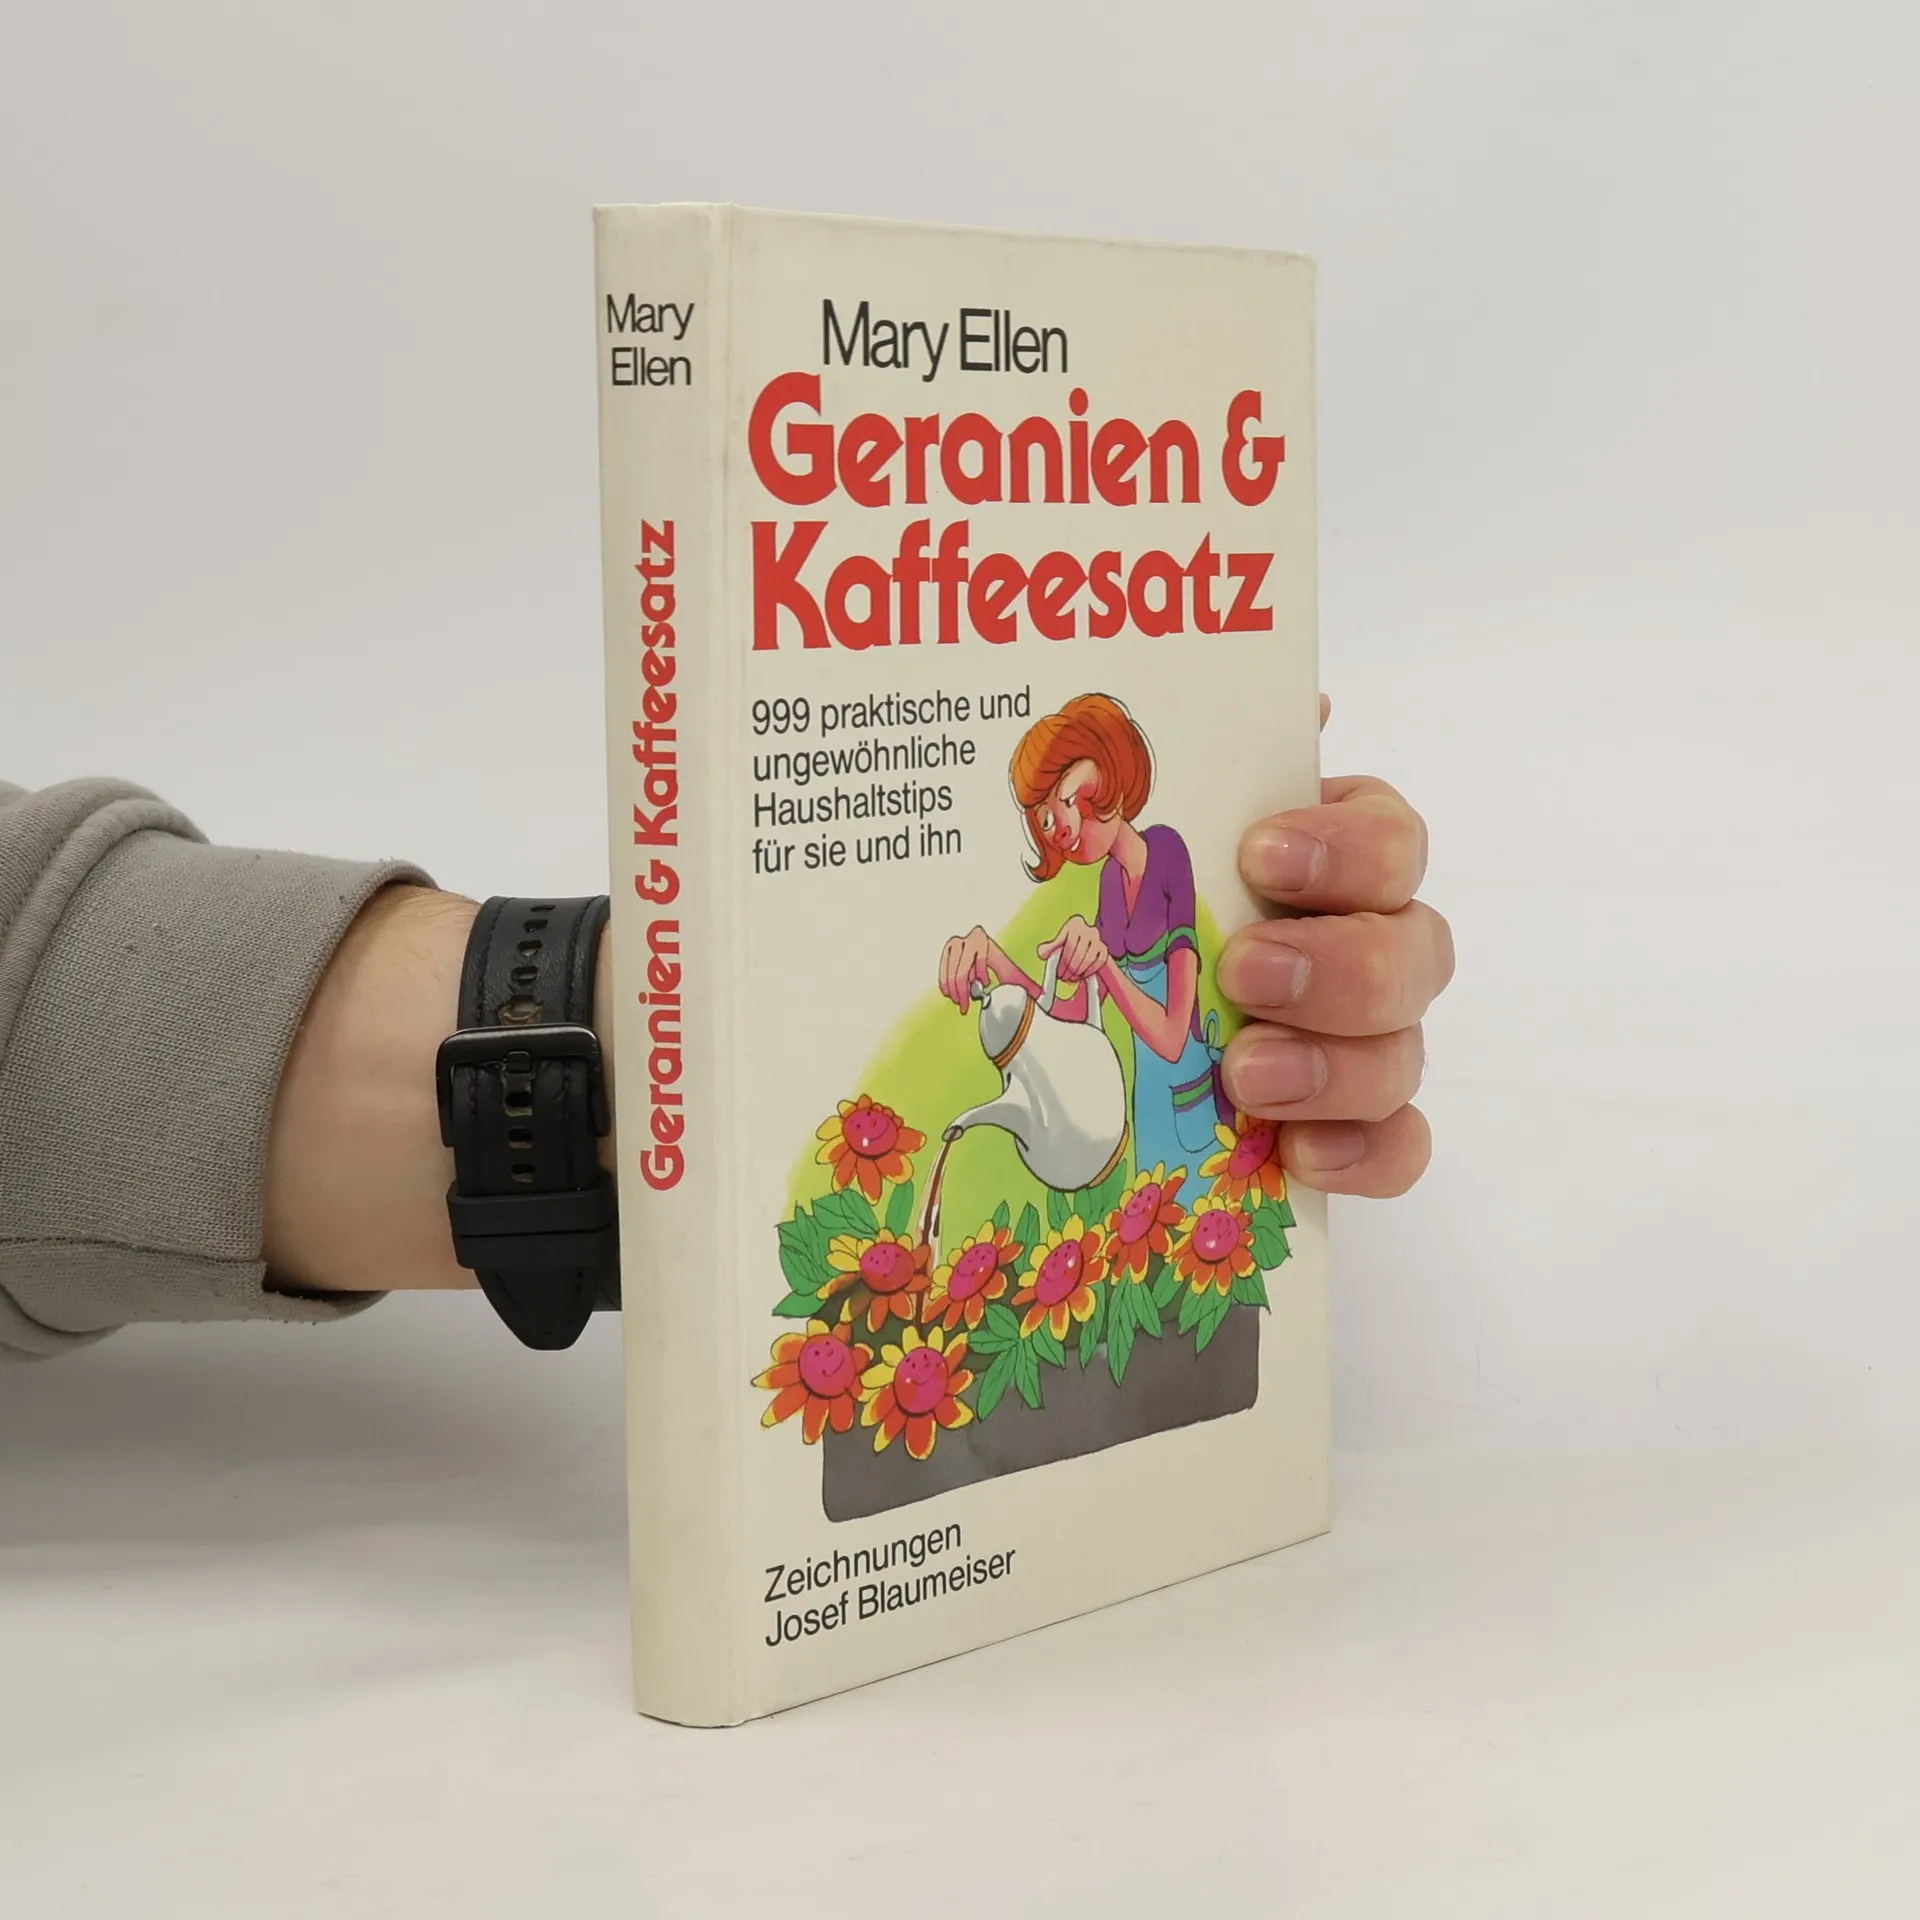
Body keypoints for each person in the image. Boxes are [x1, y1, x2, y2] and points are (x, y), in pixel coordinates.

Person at [0, 719, 1453, 1361]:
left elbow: (1166, 1022)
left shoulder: (1169, 872)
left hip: (1174, 1105)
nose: (1057, 830)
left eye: (1071, 804)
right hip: (1114, 1104)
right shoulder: (1096, 894)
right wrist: (691, 1035)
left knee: (1169, 1262)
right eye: (1045, 811)